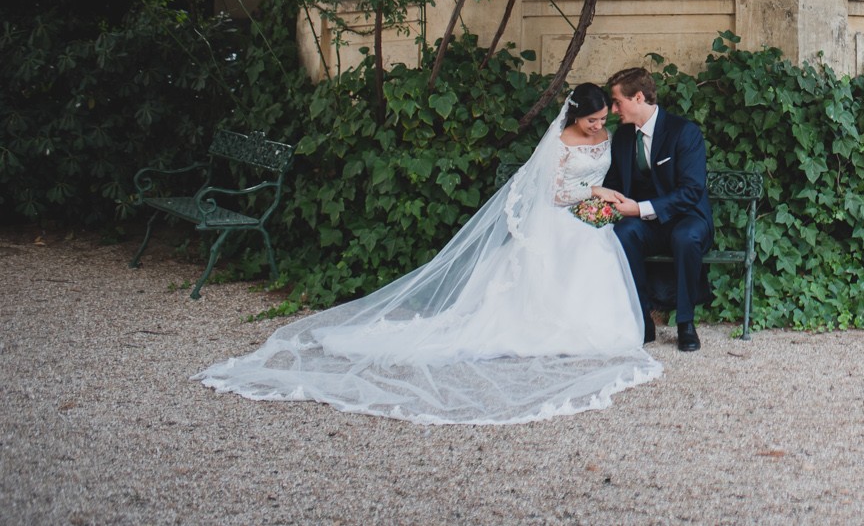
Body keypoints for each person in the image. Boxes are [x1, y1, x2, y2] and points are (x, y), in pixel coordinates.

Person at [196, 84, 662, 425]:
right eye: (592, 121)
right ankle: (553, 326)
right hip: (563, 213)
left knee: (597, 252)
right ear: (574, 117)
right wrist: (597, 192)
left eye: (603, 119)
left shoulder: (607, 138)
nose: (599, 127)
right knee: (570, 250)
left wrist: (604, 197)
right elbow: (557, 191)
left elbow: (610, 168)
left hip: (590, 213)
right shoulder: (560, 144)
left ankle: (599, 329)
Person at [597, 67, 713, 351]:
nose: (613, 110)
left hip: (687, 217)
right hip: (646, 223)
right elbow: (615, 182)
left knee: (685, 238)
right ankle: (643, 319)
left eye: (617, 102)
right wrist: (606, 200)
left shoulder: (683, 132)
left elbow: (690, 191)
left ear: (638, 97)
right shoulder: (623, 137)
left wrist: (639, 208)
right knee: (623, 233)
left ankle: (685, 323)